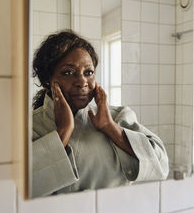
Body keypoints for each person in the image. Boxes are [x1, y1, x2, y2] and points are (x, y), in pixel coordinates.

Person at [31, 30, 169, 197]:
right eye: (68, 72)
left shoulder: (118, 117)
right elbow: (20, 188)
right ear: (47, 79)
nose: (82, 82)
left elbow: (161, 165)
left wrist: (110, 127)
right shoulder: (31, 127)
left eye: (88, 73)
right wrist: (63, 132)